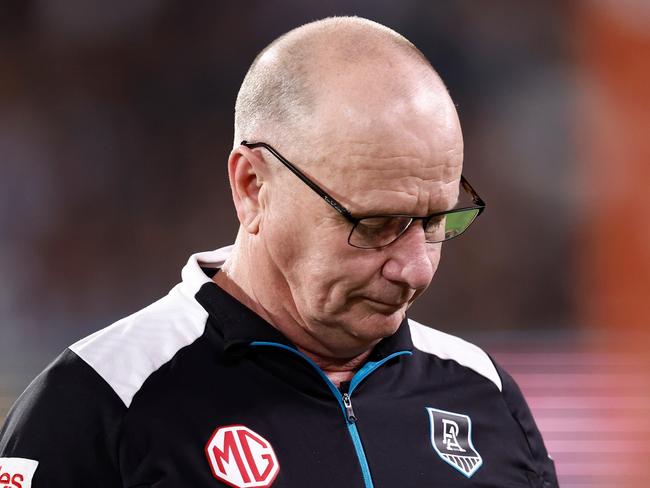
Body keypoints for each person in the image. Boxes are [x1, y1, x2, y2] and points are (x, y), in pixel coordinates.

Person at [0, 16, 558, 488]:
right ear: (252, 187)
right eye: (375, 224)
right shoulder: (99, 401)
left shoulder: (484, 394)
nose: (416, 267)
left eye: (437, 221)